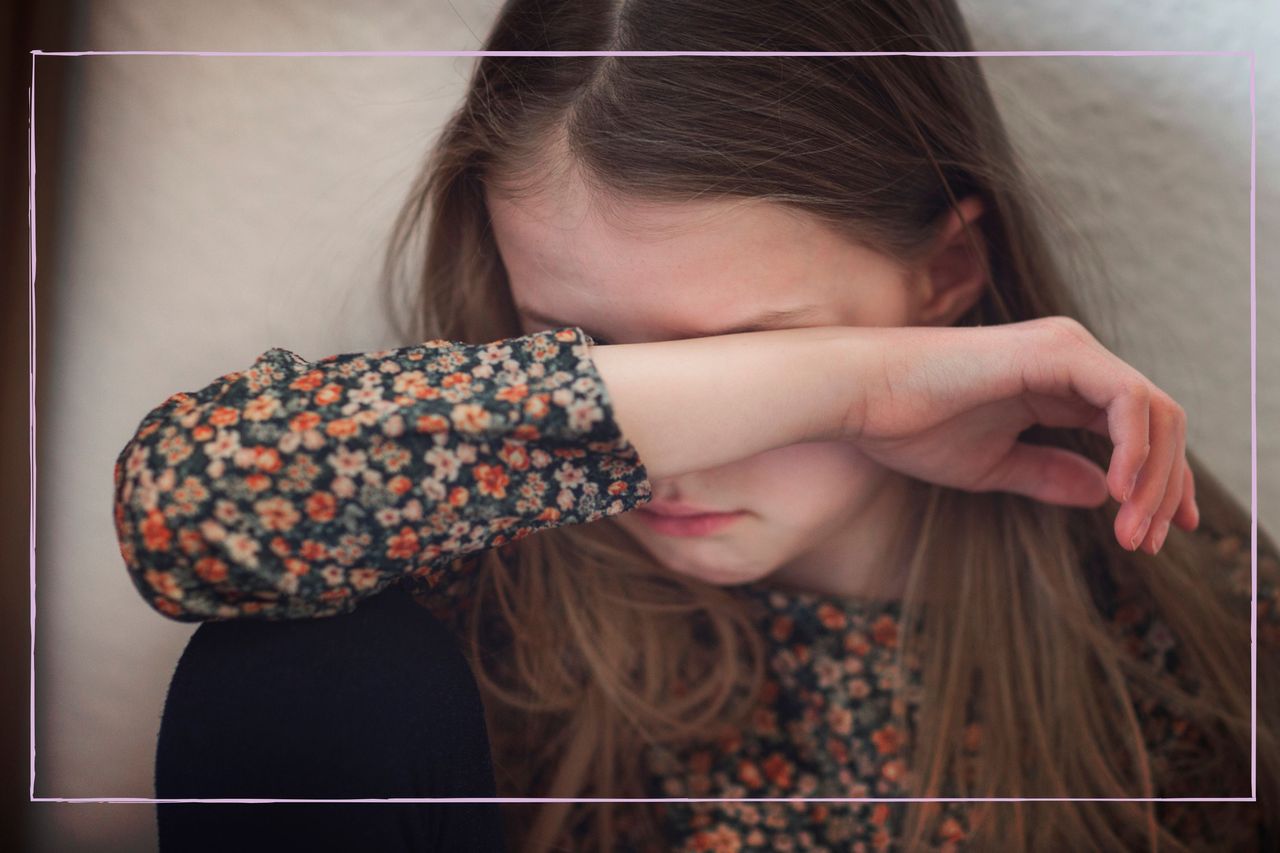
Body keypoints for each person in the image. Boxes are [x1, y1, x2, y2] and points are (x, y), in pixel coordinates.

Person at [112, 0, 1280, 850]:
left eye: (750, 354)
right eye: (582, 352)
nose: (682, 454)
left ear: (947, 273)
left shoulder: (1164, 617)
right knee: (300, 681)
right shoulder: (469, 568)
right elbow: (181, 506)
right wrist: (851, 386)